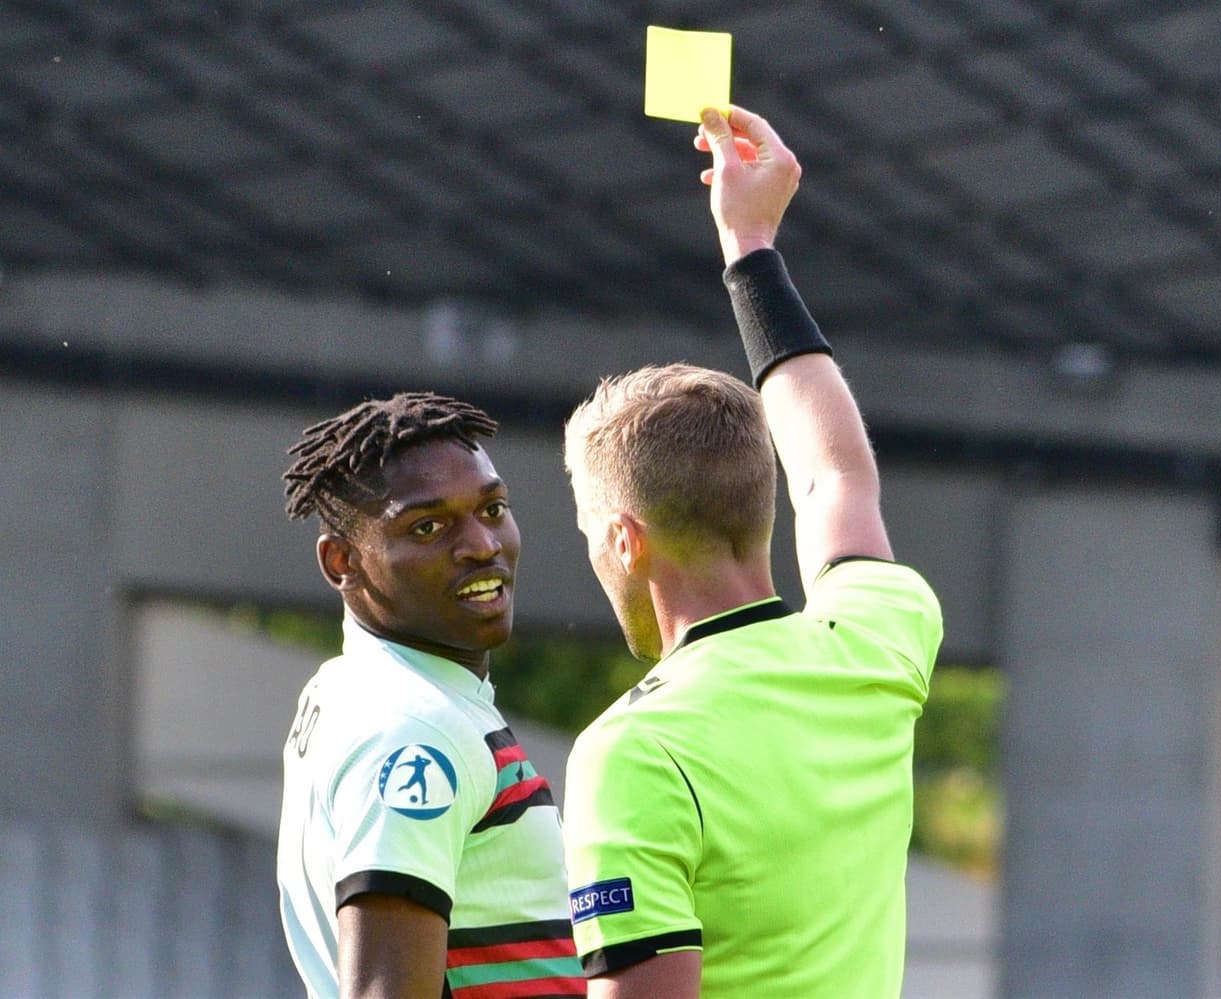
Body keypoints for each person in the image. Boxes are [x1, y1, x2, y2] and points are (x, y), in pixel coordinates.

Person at [559, 106, 943, 998]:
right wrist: (750, 243)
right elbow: (835, 474)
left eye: (588, 532)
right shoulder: (875, 645)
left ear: (626, 538)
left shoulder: (635, 751)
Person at [276, 392, 586, 998]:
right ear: (342, 561)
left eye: (493, 509)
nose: (481, 544)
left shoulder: (352, 688)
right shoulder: (415, 731)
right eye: (428, 526)